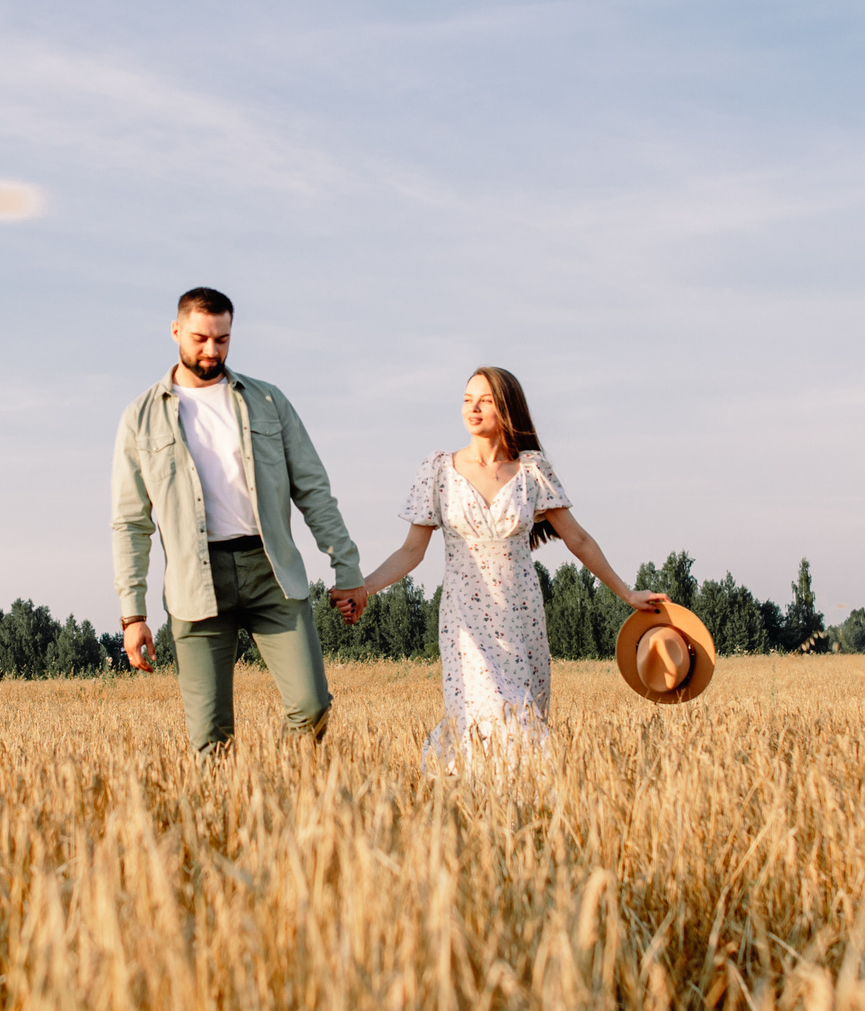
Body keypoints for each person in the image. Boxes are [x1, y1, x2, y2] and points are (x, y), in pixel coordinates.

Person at [345, 367, 662, 758]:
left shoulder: (532, 471)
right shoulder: (439, 469)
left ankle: (514, 816)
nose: (472, 408)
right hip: (466, 618)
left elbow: (578, 539)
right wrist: (364, 588)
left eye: (485, 400)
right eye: (467, 400)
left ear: (507, 408)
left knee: (522, 723)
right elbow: (411, 551)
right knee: (487, 713)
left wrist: (627, 593)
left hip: (521, 614)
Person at [112, 287, 366, 756]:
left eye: (223, 340)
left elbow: (313, 489)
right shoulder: (140, 418)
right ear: (175, 332)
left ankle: (286, 806)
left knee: (312, 706)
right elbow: (130, 522)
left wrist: (346, 568)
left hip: (271, 570)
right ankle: (229, 825)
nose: (212, 351)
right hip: (195, 582)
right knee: (211, 738)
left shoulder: (268, 401)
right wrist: (134, 613)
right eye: (200, 338)